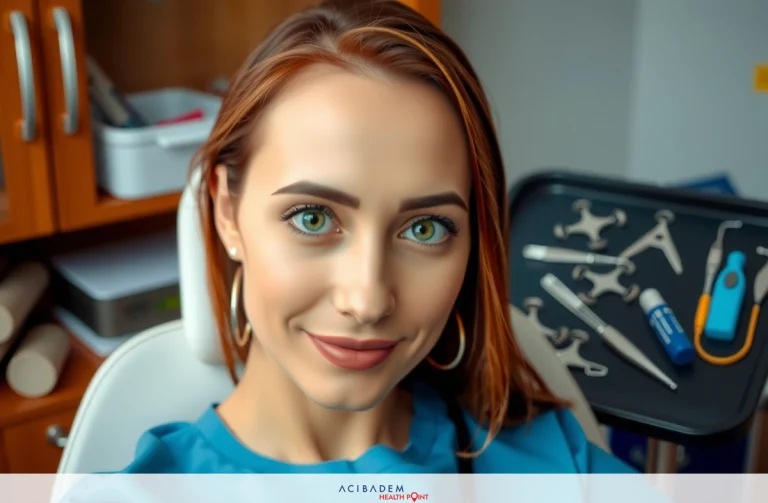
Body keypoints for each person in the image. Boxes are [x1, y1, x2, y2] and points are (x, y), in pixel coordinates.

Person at [120, 0, 635, 474]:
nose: (367, 301)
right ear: (228, 212)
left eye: (425, 229)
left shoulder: (553, 464)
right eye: (312, 218)